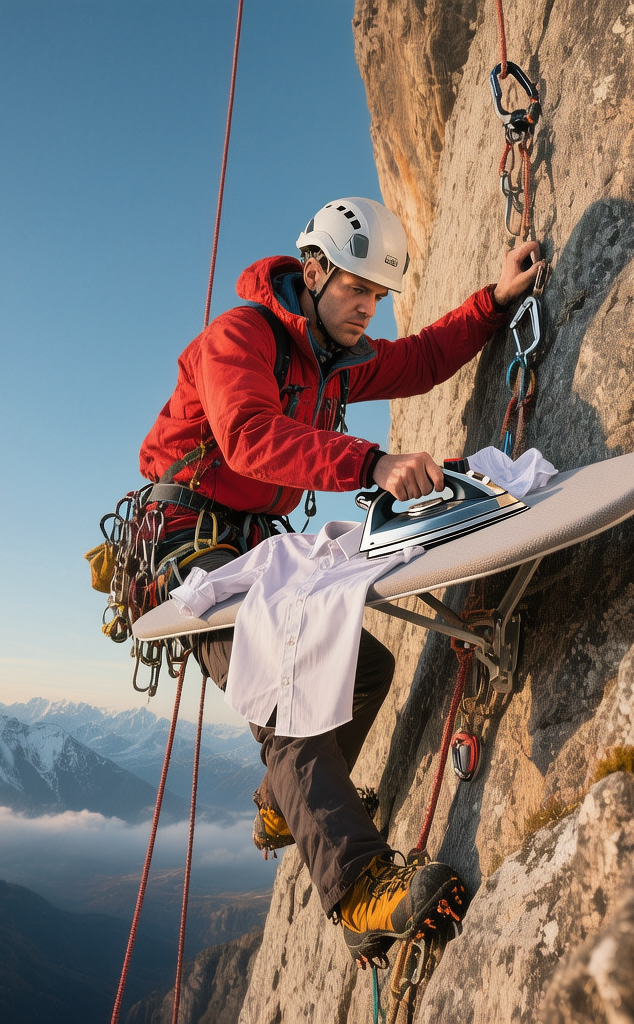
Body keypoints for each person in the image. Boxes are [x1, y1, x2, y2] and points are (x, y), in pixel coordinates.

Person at [138, 197, 542, 964]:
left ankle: (281, 801)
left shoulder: (331, 360)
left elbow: (419, 361)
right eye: (357, 288)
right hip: (185, 544)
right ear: (314, 270)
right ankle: (358, 892)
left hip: (248, 543)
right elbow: (249, 435)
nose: (369, 308)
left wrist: (493, 301)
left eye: (379, 295)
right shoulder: (241, 337)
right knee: (288, 687)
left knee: (367, 670)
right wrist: (370, 464)